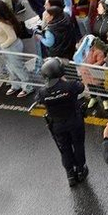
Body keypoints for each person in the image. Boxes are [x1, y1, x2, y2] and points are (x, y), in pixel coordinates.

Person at [35, 57, 88, 186]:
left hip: (57, 125)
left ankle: (70, 174)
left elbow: (38, 99)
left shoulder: (43, 92)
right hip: (74, 121)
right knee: (78, 145)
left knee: (65, 149)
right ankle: (81, 170)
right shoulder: (69, 86)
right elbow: (81, 87)